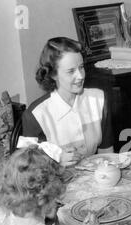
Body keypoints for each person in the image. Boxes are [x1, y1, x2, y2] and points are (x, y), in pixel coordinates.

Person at [22, 37, 114, 167]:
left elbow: (107, 154)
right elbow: (28, 170)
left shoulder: (99, 99)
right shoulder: (36, 114)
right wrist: (55, 162)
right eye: (71, 71)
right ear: (53, 74)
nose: (80, 76)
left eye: (81, 67)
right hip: (54, 183)